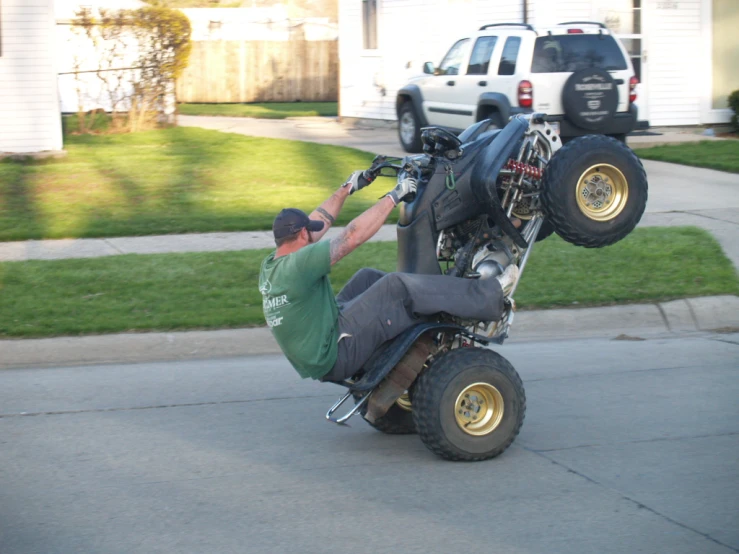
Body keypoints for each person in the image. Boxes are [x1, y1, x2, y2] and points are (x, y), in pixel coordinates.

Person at [259, 171, 519, 383]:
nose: (315, 233)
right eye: (309, 232)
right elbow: (350, 237)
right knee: (395, 286)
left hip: (317, 348)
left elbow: (318, 220)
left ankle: (430, 305)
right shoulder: (300, 265)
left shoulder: (273, 264)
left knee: (367, 278)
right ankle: (491, 293)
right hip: (335, 355)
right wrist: (394, 197)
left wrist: (347, 187)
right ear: (303, 235)